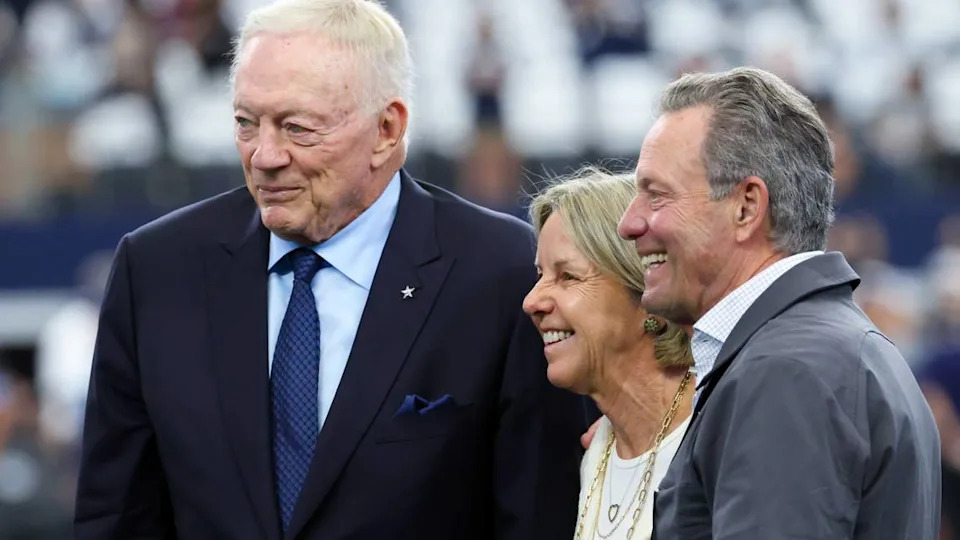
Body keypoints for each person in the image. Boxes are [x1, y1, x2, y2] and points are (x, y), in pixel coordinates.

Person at [73, 1, 585, 538]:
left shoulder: (499, 270)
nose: (265, 156)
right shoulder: (157, 270)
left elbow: (538, 514)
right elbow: (117, 517)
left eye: (297, 128)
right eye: (247, 123)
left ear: (387, 128)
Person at [616, 66, 941, 539]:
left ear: (746, 206)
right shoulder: (823, 349)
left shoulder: (787, 369)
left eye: (656, 195)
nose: (629, 223)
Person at [523, 168, 695, 540]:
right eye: (539, 275)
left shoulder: (718, 433)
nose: (531, 301)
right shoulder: (598, 452)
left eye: (567, 276)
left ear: (650, 294)